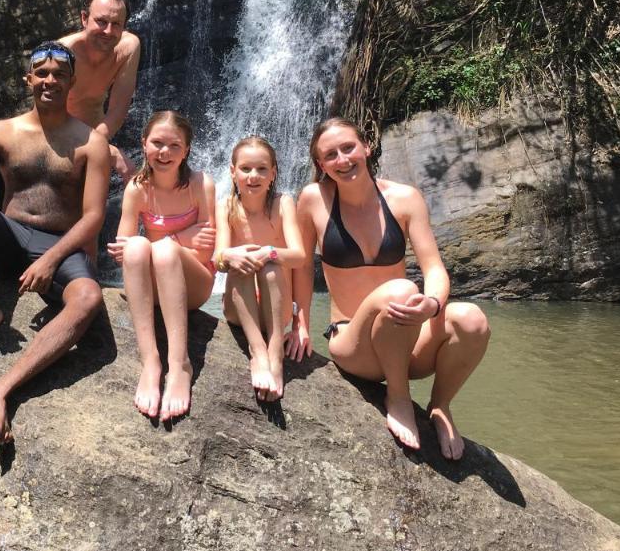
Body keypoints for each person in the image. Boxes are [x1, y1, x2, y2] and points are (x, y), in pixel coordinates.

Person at [0, 40, 112, 445]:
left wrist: (51, 259)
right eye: (43, 73)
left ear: (72, 82)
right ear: (29, 78)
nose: (50, 81)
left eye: (60, 75)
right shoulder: (2, 132)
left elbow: (93, 217)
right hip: (9, 237)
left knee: (87, 298)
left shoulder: (90, 142)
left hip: (59, 245)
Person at [290, 117, 490, 459]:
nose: (343, 159)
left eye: (348, 148)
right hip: (355, 345)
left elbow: (434, 269)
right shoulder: (313, 200)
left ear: (366, 147)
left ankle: (440, 407)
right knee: (400, 290)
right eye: (331, 155)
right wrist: (300, 323)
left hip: (407, 339)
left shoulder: (405, 198)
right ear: (321, 164)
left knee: (472, 319)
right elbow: (303, 266)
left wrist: (432, 304)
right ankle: (397, 396)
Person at [107, 111, 216, 421]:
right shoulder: (137, 188)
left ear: (187, 150)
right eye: (157, 143)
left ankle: (180, 363)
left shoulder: (200, 184)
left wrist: (169, 242)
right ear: (144, 144)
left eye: (174, 146)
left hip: (194, 284)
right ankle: (151, 361)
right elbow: (127, 251)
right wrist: (184, 236)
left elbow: (208, 244)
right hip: (157, 286)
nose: (164, 153)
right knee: (141, 247)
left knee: (163, 250)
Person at [214, 135, 307, 402]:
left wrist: (270, 252)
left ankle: (275, 351)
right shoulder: (226, 207)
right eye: (245, 169)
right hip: (238, 310)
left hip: (276, 310)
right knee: (240, 263)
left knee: (270, 265)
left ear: (273, 173)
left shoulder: (283, 203)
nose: (253, 176)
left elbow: (300, 256)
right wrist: (229, 256)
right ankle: (258, 351)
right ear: (233, 172)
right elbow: (217, 260)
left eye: (262, 169)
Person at [59, 0, 141, 179]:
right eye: (101, 21)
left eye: (116, 24)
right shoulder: (63, 52)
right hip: (57, 136)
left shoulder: (129, 47)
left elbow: (118, 108)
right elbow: (47, 114)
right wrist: (101, 147)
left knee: (131, 173)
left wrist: (98, 143)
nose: (108, 31)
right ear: (84, 18)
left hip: (98, 134)